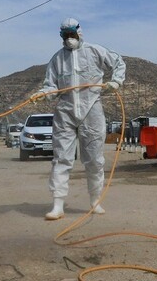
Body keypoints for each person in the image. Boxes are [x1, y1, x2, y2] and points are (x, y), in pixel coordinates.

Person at [31, 18, 126, 220]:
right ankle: (58, 205)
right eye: (65, 36)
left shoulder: (95, 51)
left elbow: (118, 62)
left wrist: (116, 81)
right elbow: (51, 85)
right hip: (65, 112)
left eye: (72, 35)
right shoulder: (57, 59)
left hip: (91, 109)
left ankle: (95, 201)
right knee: (61, 158)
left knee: (94, 159)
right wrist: (42, 93)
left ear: (79, 33)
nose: (69, 39)